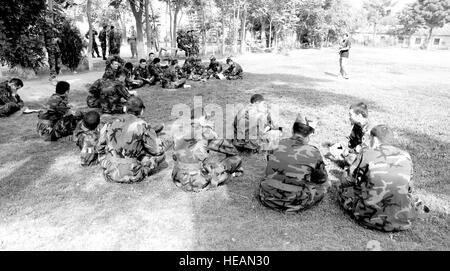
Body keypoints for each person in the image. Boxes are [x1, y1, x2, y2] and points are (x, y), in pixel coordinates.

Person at [338, 125, 429, 232]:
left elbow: (347, 180)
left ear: (374, 139)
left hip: (368, 218)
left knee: (342, 190)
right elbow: (409, 188)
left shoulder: (367, 154)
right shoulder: (406, 156)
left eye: (369, 138)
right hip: (401, 219)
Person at [259, 114, 329, 213]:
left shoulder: (277, 143)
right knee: (324, 186)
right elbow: (321, 179)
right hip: (293, 202)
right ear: (310, 134)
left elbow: (270, 163)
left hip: (267, 195)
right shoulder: (313, 152)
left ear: (293, 130)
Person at [97, 96, 172, 183]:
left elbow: (100, 146)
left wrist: (104, 161)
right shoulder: (142, 125)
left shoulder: (110, 122)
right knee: (161, 156)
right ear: (141, 111)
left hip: (109, 170)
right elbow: (157, 150)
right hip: (132, 174)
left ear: (125, 109)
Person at [172, 107, 243, 192]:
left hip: (178, 177)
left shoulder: (180, 131)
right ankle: (234, 173)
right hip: (195, 182)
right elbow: (231, 149)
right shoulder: (205, 132)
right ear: (202, 120)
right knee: (236, 159)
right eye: (206, 118)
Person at [328, 102, 370, 167]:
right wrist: (344, 145)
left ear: (359, 116)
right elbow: (351, 140)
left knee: (351, 158)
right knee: (335, 147)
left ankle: (345, 161)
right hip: (353, 150)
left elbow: (363, 150)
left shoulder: (367, 131)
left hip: (363, 156)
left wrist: (348, 152)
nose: (349, 117)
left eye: (351, 115)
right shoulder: (358, 124)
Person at [43, 17, 62, 81]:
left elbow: (60, 38)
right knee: (52, 62)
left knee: (58, 63)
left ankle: (56, 74)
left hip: (56, 48)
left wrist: (57, 39)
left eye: (50, 18)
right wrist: (43, 47)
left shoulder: (55, 29)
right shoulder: (44, 29)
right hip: (50, 47)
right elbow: (42, 38)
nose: (49, 19)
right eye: (48, 18)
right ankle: (52, 76)